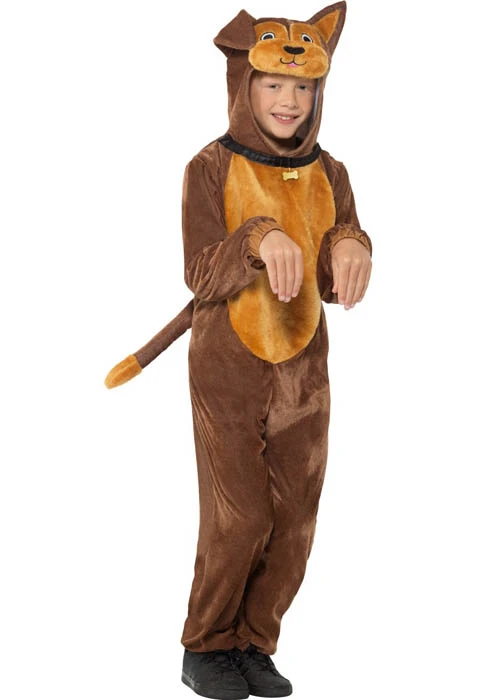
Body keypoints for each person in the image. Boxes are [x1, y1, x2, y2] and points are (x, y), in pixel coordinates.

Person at [104, 3, 372, 699]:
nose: (290, 99)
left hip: (305, 367)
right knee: (241, 514)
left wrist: (351, 245)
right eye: (274, 84)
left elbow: (333, 271)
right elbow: (200, 272)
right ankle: (205, 645)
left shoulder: (332, 171)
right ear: (243, 83)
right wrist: (257, 235)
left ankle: (253, 642)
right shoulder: (210, 165)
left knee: (294, 519)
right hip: (229, 362)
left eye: (304, 86)